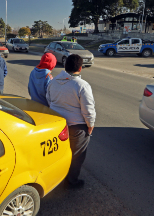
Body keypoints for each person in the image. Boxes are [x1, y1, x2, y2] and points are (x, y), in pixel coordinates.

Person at [46, 54, 96, 189]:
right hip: (77, 127)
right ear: (80, 68)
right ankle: (72, 181)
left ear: (65, 66)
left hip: (57, 125)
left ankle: (58, 177)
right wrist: (90, 125)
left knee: (60, 154)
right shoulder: (82, 85)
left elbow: (49, 100)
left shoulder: (53, 81)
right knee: (77, 155)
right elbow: (88, 109)